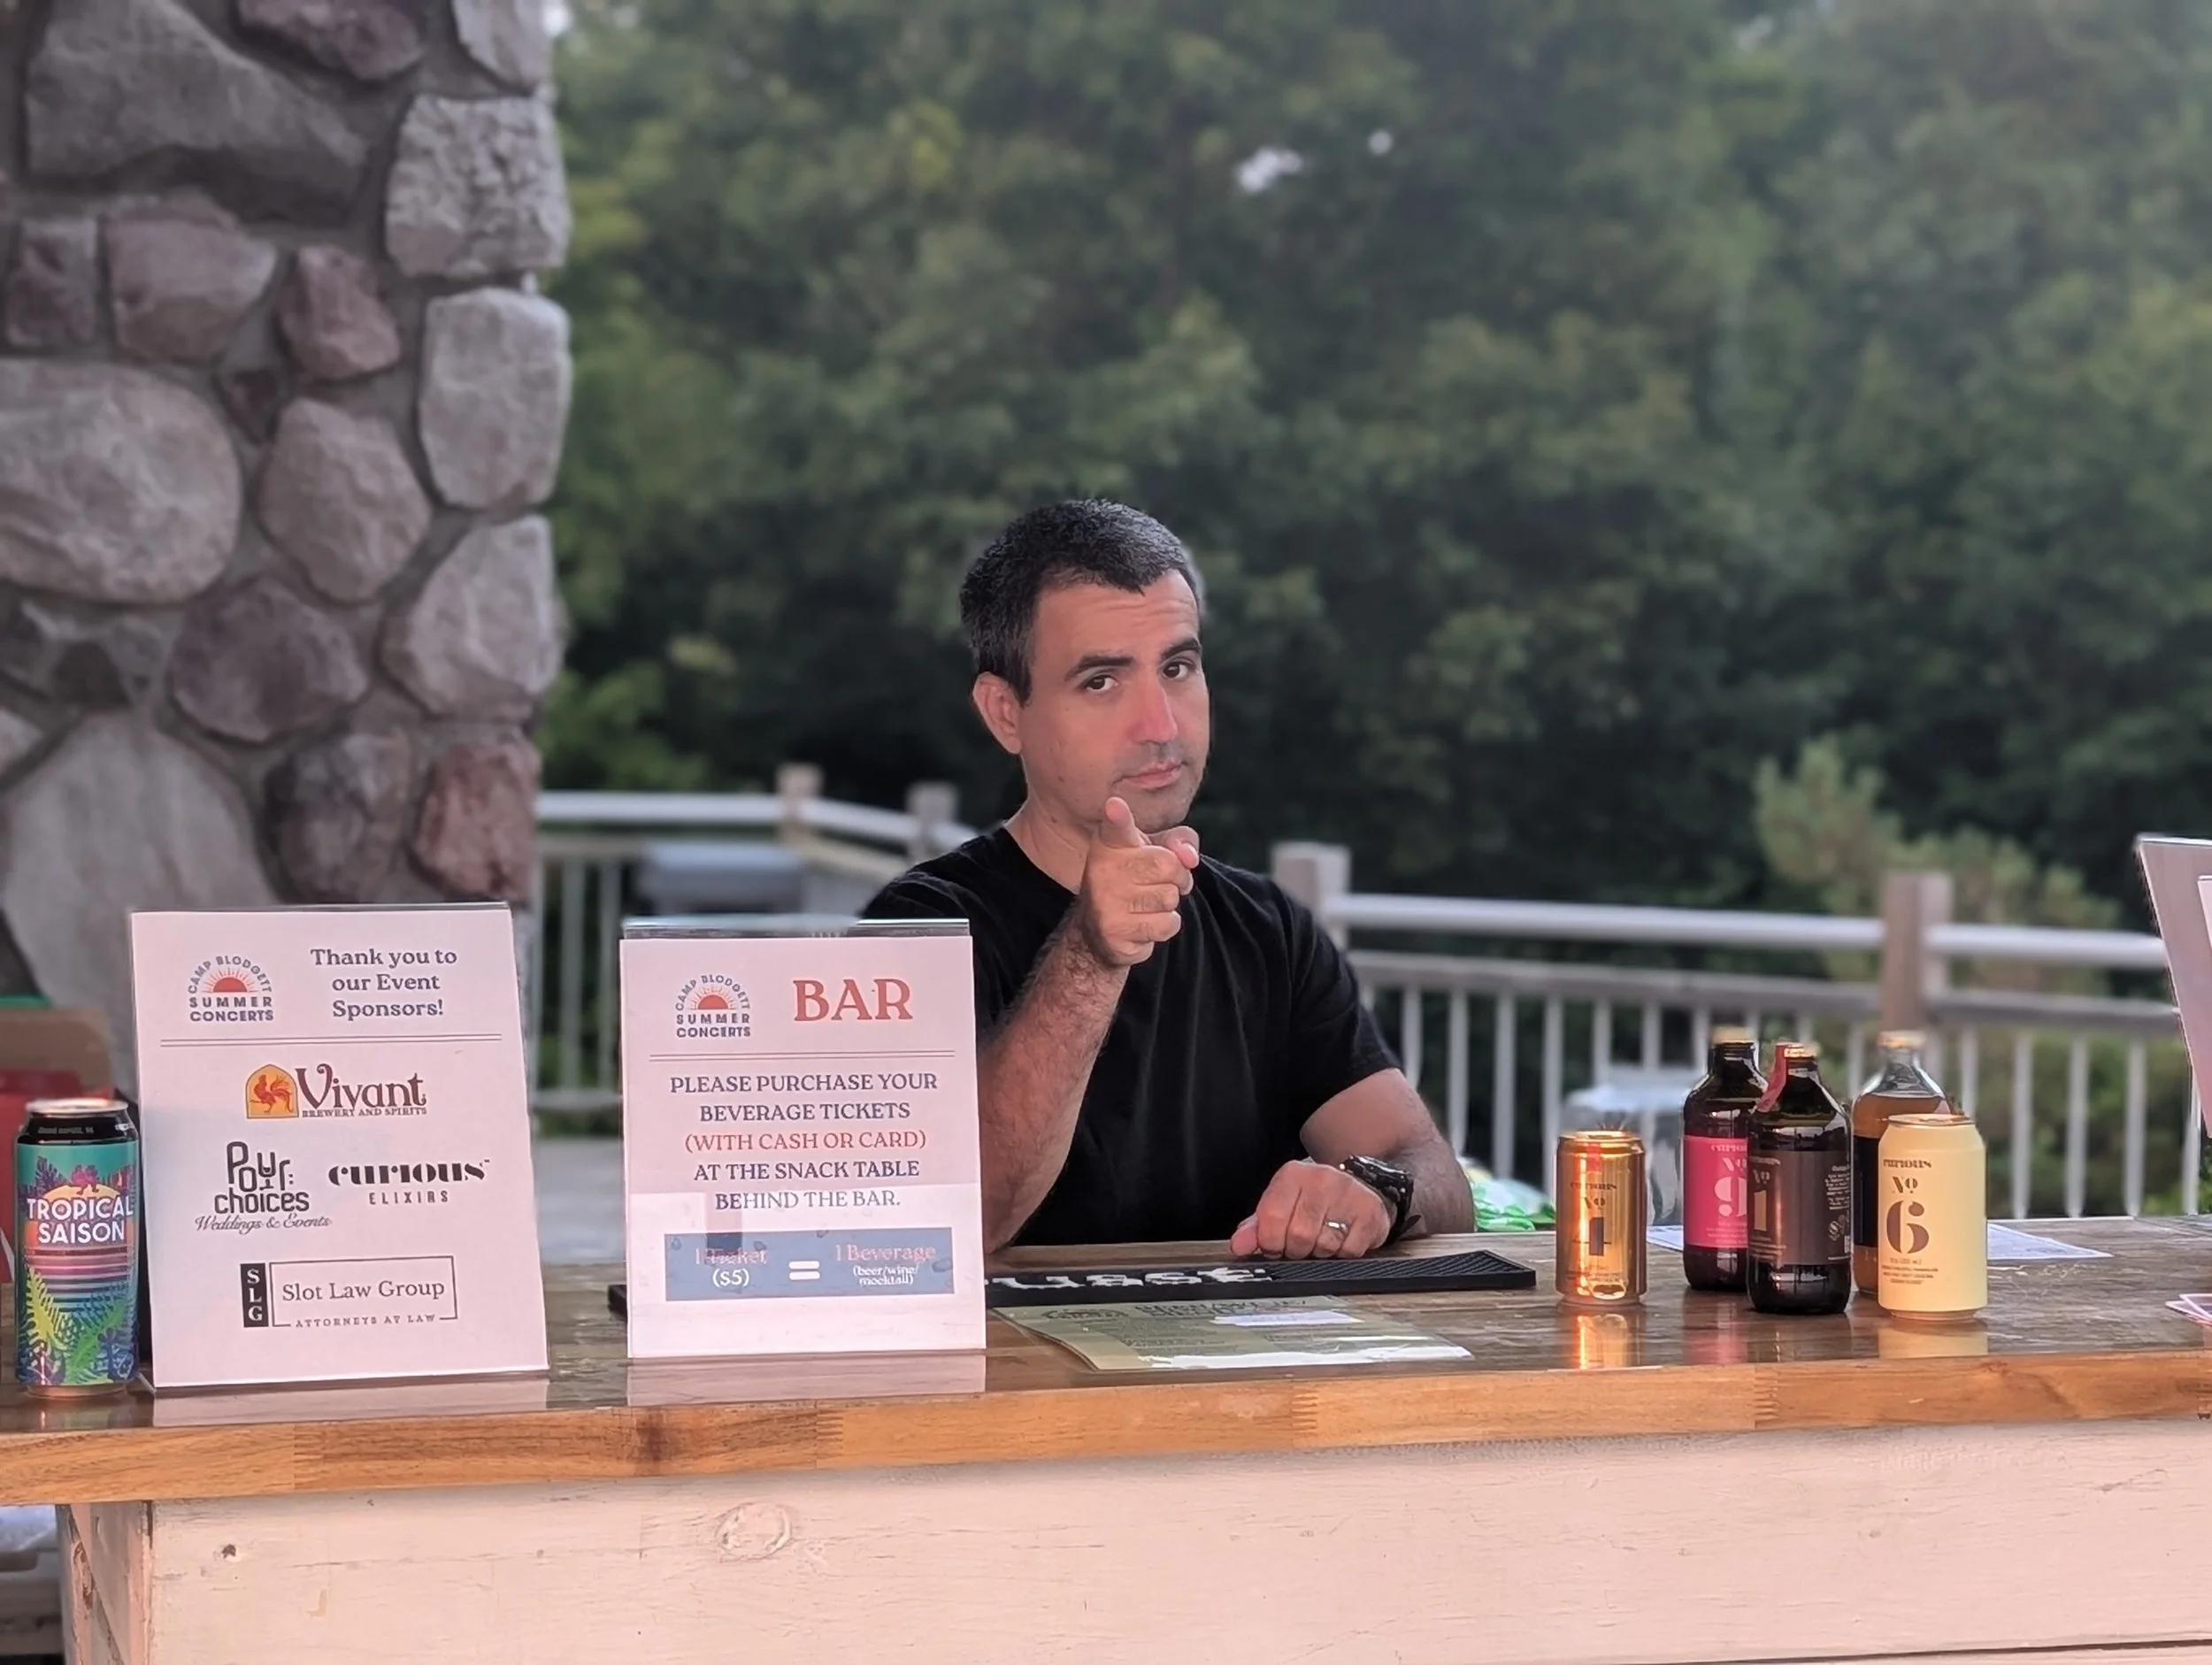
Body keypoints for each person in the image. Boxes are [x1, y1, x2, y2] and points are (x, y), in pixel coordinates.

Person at [864, 500, 1472, 1255]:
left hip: (1245, 1365)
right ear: (1005, 712)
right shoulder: (920, 929)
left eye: (1177, 668)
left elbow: (1439, 1177)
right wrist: (1092, 950)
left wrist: (1373, 1191)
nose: (1160, 723)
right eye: (1101, 683)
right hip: (1010, 1370)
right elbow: (950, 1221)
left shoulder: (1267, 928)